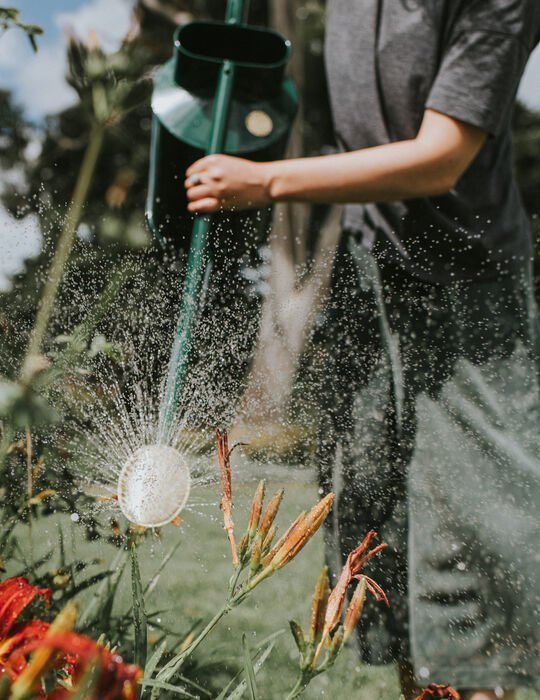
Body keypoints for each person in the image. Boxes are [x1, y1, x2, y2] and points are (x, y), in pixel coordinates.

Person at [184, 2, 540, 699]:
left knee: (469, 541)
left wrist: (268, 181)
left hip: (469, 289)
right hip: (372, 272)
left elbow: (443, 156)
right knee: (378, 534)